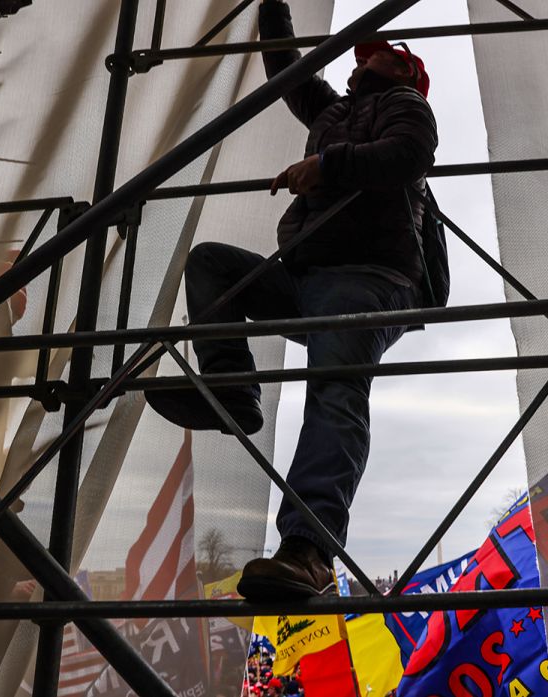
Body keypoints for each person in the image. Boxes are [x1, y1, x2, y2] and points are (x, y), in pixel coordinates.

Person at [144, 0, 438, 600]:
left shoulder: (408, 107)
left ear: (407, 72)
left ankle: (309, 551)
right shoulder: (333, 110)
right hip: (309, 276)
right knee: (212, 265)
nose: (371, 54)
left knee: (336, 390)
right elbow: (287, 68)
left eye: (388, 52)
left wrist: (326, 165)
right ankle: (233, 389)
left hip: (370, 276)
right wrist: (271, 5)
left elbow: (407, 156)